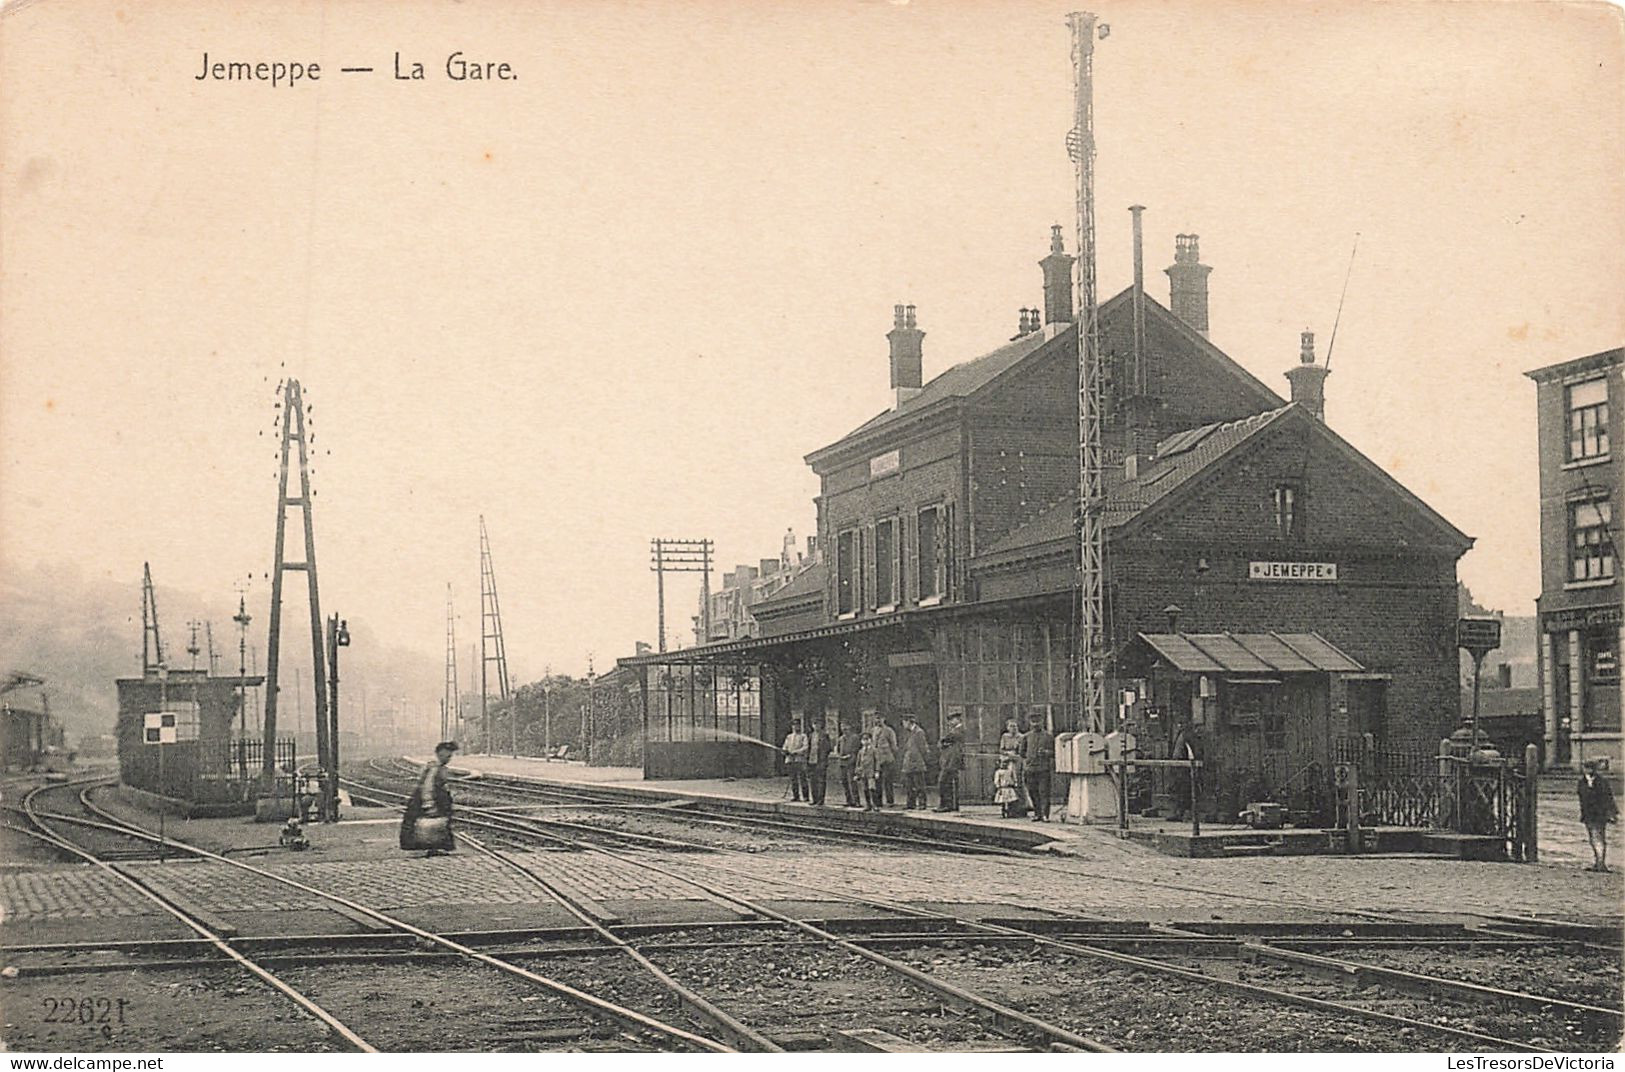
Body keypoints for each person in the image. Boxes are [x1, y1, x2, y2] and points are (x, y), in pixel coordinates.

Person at [399, 741, 458, 855]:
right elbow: (427, 787)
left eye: (450, 756)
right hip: (431, 801)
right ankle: (433, 847)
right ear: (440, 754)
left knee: (437, 823)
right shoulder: (434, 768)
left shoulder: (437, 767)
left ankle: (434, 847)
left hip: (435, 800)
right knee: (433, 823)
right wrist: (429, 804)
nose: (449, 758)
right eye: (447, 755)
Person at [1578, 761, 1617, 872]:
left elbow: (1608, 798)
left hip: (1600, 814)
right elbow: (1582, 800)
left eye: (1590, 768)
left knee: (1598, 838)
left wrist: (1612, 813)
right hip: (1588, 815)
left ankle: (1600, 863)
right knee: (1593, 838)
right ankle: (1598, 862)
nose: (1588, 771)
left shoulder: (1602, 782)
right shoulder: (1582, 782)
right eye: (1586, 768)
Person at [1020, 717, 1055, 822]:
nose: (1036, 724)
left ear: (1042, 722)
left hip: (1043, 769)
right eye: (1033, 722)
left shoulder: (1048, 737)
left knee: (1044, 792)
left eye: (1038, 722)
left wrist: (1046, 752)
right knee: (1032, 792)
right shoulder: (1026, 737)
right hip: (1030, 769)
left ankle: (1045, 815)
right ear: (1030, 723)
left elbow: (1055, 752)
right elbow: (1022, 752)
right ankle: (1037, 813)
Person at [898, 714, 930, 809]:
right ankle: (910, 804)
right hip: (908, 762)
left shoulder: (919, 732)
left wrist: (922, 759)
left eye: (904, 722)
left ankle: (922, 803)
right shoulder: (908, 732)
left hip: (917, 762)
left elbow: (923, 748)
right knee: (909, 785)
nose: (903, 724)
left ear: (909, 722)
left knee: (919, 784)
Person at [999, 718, 1028, 817]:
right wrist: (1007, 754)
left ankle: (1022, 807)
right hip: (1008, 761)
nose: (1013, 728)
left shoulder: (1022, 737)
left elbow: (1023, 751)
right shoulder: (1005, 737)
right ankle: (1010, 807)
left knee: (1019, 783)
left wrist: (1016, 754)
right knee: (1008, 784)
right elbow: (1001, 750)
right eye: (1010, 726)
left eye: (1014, 726)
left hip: (1018, 761)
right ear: (1007, 728)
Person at [934, 716, 964, 812]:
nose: (950, 722)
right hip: (949, 760)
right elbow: (941, 743)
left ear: (957, 720)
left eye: (952, 720)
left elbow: (944, 740)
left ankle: (946, 805)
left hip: (952, 761)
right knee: (948, 782)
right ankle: (950, 805)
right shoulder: (954, 731)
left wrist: (943, 743)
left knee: (944, 781)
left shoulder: (958, 731)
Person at [871, 714, 899, 807]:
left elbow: (894, 746)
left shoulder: (889, 731)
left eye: (880, 718)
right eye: (876, 718)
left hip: (887, 759)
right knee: (877, 781)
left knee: (888, 781)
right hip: (877, 759)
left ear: (884, 719)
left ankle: (890, 801)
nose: (878, 720)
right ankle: (878, 802)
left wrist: (891, 756)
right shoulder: (873, 731)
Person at [835, 719, 863, 807]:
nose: (844, 729)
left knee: (852, 782)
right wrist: (839, 756)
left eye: (845, 727)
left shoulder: (855, 737)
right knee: (844, 782)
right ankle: (849, 800)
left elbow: (857, 750)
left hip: (851, 762)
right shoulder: (841, 739)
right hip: (842, 762)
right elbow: (838, 749)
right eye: (842, 727)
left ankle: (856, 801)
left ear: (849, 727)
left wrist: (850, 756)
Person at [781, 719, 810, 802]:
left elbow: (805, 747)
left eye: (797, 725)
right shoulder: (789, 737)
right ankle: (796, 796)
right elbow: (785, 746)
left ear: (800, 726)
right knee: (793, 779)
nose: (795, 727)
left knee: (802, 778)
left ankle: (805, 796)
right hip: (790, 760)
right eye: (794, 725)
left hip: (799, 760)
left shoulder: (803, 736)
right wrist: (785, 751)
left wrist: (796, 752)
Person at [807, 718, 834, 806]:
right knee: (812, 781)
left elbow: (828, 748)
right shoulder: (811, 735)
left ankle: (820, 800)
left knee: (821, 781)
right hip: (811, 760)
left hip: (820, 761)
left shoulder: (824, 735)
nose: (815, 726)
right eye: (814, 724)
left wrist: (823, 757)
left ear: (820, 725)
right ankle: (814, 799)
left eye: (817, 724)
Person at [856, 732, 881, 811]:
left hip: (871, 772)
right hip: (863, 773)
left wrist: (877, 771)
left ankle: (875, 805)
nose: (865, 741)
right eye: (863, 740)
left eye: (867, 739)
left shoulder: (874, 750)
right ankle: (868, 805)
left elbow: (877, 761)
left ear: (870, 740)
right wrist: (857, 773)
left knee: (872, 788)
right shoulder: (860, 752)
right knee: (865, 789)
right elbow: (858, 763)